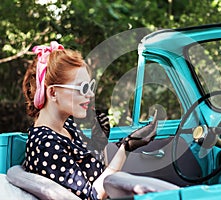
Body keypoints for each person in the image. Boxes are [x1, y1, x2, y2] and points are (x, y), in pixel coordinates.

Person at [22, 41, 158, 199]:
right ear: (53, 93)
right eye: (82, 88)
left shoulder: (67, 127)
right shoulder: (45, 144)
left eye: (90, 87)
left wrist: (98, 143)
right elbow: (92, 196)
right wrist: (125, 147)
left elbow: (95, 176)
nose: (90, 95)